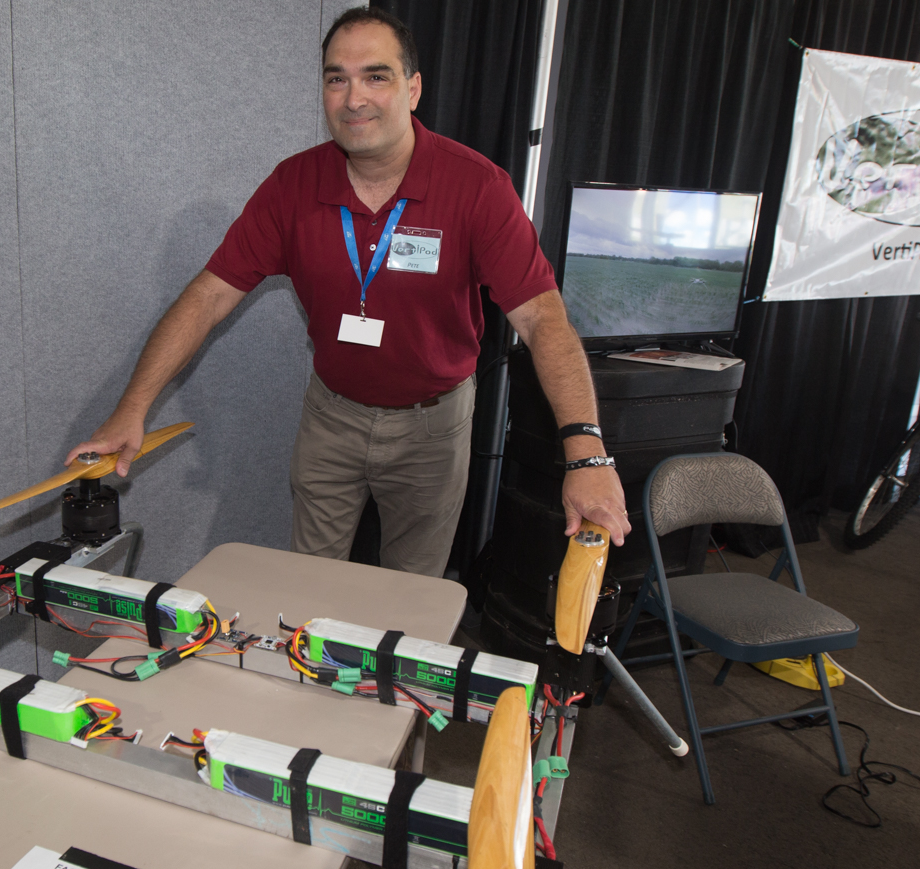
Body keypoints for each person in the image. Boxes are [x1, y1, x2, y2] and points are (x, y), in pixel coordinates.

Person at [67, 6, 628, 576]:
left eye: (375, 76)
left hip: (434, 423)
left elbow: (542, 319)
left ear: (413, 89)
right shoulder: (293, 184)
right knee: (311, 586)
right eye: (337, 78)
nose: (353, 97)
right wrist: (131, 410)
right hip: (332, 414)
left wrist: (586, 450)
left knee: (410, 593)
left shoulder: (478, 187)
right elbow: (209, 296)